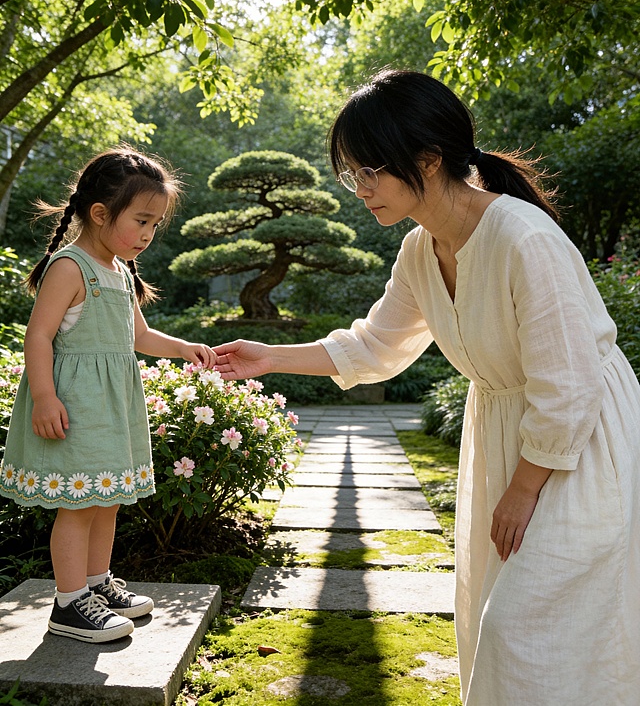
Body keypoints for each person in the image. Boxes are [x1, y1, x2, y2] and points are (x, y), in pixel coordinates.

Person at [213, 69, 640, 705]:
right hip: (507, 433)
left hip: (575, 445)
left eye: (371, 171)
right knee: (500, 624)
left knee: (532, 632)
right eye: (351, 173)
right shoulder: (420, 250)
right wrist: (267, 356)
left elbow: (569, 385)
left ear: (429, 159)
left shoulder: (524, 237)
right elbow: (374, 346)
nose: (360, 189)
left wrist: (523, 490)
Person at [0, 147, 216, 644]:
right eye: (141, 220)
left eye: (155, 224)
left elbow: (138, 336)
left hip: (110, 411)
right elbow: (38, 336)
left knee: (107, 502)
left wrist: (186, 349)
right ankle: (69, 602)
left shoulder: (118, 271)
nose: (148, 234)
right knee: (78, 507)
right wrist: (45, 395)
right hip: (75, 409)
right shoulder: (70, 267)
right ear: (100, 214)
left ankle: (96, 585)